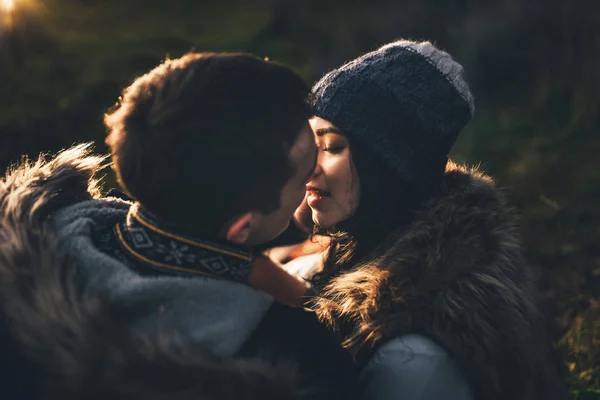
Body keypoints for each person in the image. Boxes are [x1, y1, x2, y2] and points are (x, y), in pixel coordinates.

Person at [0, 52, 355, 399]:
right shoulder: (297, 357)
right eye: (302, 177)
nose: (313, 179)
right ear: (240, 229)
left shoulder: (28, 246)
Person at [288, 40, 568, 400]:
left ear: (389, 163)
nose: (308, 167)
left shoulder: (413, 361)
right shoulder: (358, 252)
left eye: (333, 147)